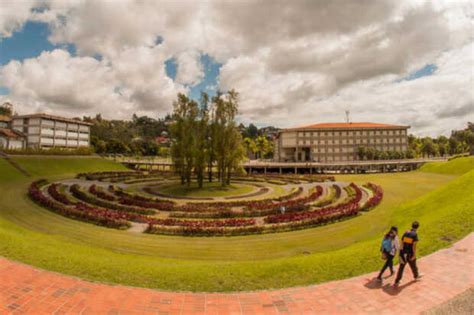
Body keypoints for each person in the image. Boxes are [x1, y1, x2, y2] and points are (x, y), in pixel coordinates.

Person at [394, 221, 421, 286]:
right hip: (409, 253)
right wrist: (414, 255)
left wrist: (401, 252)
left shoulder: (406, 232)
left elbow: (402, 242)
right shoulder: (415, 235)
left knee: (401, 267)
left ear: (412, 226)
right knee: (413, 265)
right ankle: (416, 276)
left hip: (403, 253)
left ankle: (397, 281)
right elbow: (414, 246)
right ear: (417, 227)